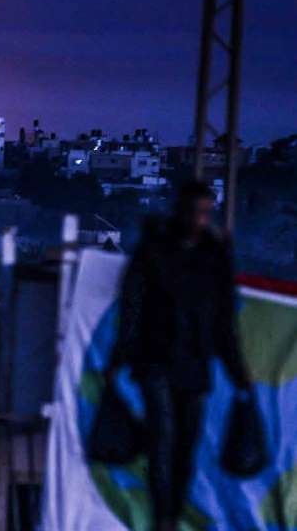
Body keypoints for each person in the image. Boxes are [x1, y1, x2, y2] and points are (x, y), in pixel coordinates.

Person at [107, 180, 252, 531]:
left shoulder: (213, 255)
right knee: (163, 440)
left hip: (193, 361)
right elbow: (133, 306)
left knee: (184, 447)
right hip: (156, 358)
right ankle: (164, 520)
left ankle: (169, 513)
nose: (198, 219)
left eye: (204, 212)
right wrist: (122, 355)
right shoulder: (155, 249)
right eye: (194, 211)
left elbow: (223, 319)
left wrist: (237, 372)